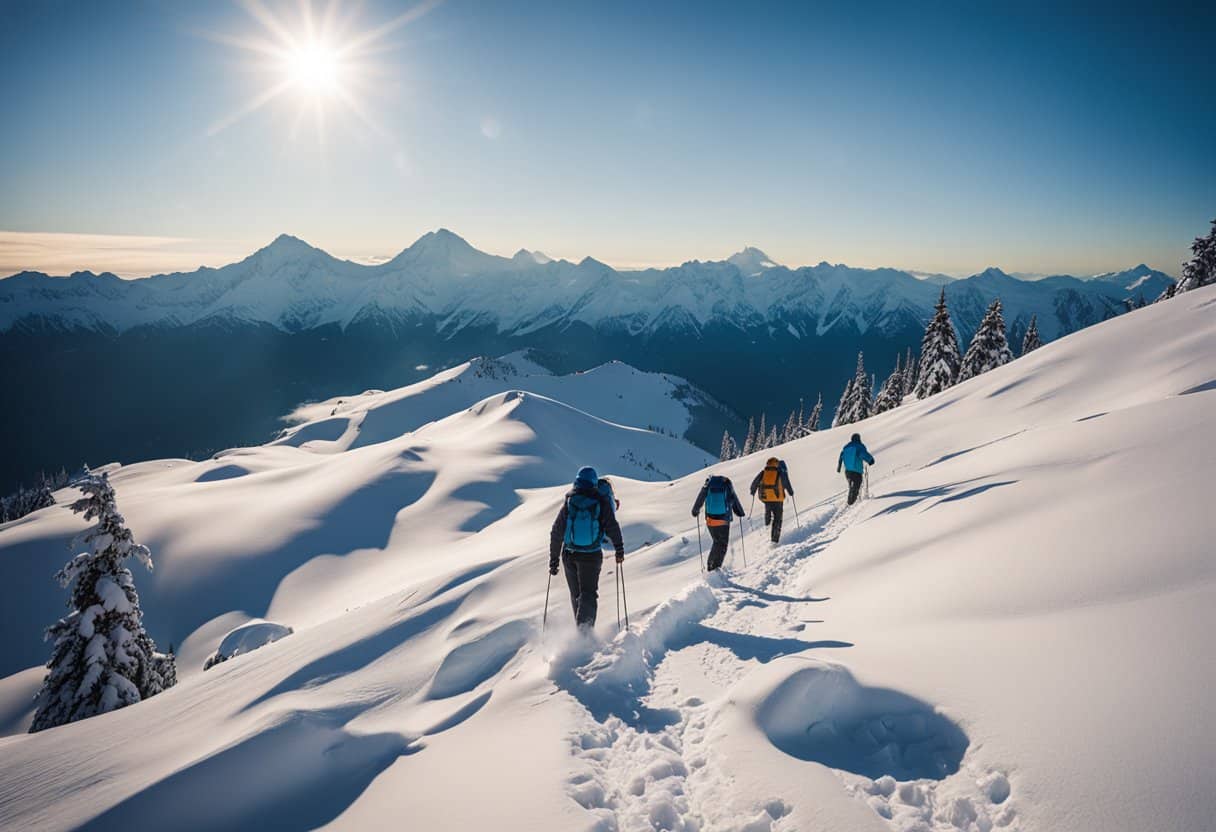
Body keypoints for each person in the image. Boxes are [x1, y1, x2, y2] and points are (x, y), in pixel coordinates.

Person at [549, 466, 624, 631]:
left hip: (569, 555)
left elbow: (556, 532)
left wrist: (553, 561)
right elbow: (612, 526)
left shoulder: (570, 502)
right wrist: (619, 549)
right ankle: (584, 635)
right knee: (588, 594)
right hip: (591, 555)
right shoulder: (601, 501)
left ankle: (580, 634)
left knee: (576, 596)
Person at [691, 474, 746, 571]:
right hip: (723, 520)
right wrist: (740, 512)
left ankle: (712, 567)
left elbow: (700, 498)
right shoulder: (727, 485)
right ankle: (714, 569)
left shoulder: (708, 485)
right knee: (722, 544)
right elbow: (733, 499)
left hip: (710, 520)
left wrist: (695, 511)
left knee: (716, 542)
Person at [749, 457, 794, 544]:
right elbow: (786, 483)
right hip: (778, 499)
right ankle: (774, 539)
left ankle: (767, 524)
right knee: (778, 519)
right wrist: (791, 492)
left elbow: (754, 483)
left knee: (768, 510)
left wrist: (753, 491)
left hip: (766, 498)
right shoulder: (780, 472)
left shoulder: (763, 473)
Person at [838, 433, 875, 505]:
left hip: (847, 471)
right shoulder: (859, 446)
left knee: (852, 484)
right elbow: (863, 454)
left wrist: (839, 468)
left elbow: (841, 457)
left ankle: (851, 497)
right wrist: (870, 460)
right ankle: (851, 502)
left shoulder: (846, 448)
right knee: (857, 484)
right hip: (856, 470)